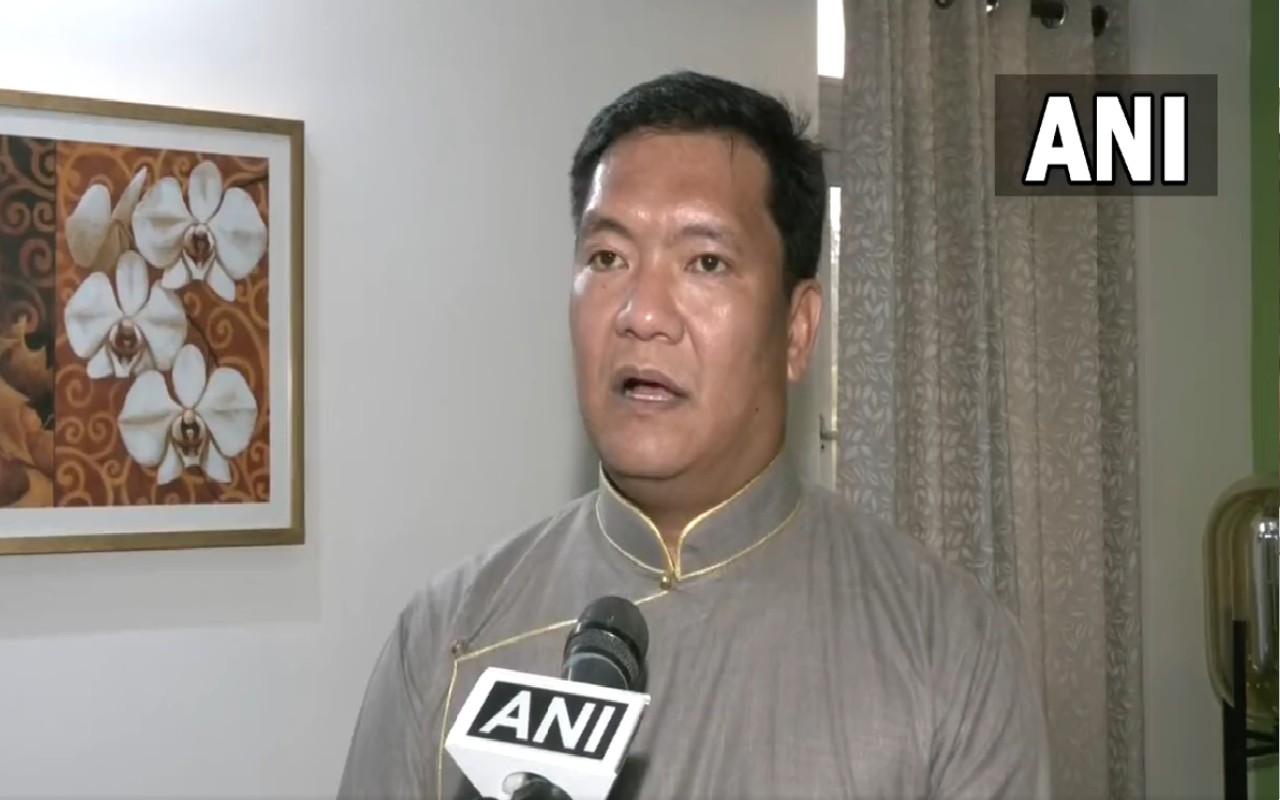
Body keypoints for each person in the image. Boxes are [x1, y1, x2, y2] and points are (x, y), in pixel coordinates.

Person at [336, 70, 1052, 800]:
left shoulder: (948, 650)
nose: (642, 314)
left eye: (705, 263)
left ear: (797, 330)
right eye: (608, 258)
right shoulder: (447, 640)